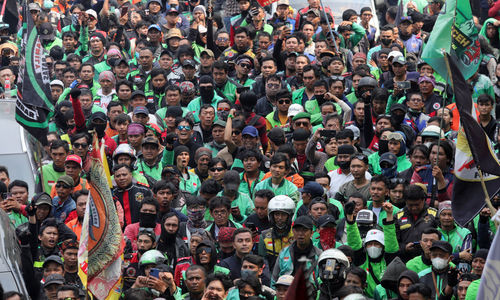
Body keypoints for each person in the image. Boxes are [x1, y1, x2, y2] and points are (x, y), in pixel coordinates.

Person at [271, 215, 322, 287]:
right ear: (293, 232)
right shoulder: (284, 253)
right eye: (297, 230)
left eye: (304, 230)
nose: (300, 233)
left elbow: (322, 282)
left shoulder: (319, 255)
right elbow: (274, 279)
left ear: (311, 233)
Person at [258, 195, 295, 271]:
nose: (280, 218)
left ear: (290, 216)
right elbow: (262, 263)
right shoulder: (264, 236)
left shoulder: (296, 235)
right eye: (277, 214)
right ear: (271, 216)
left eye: (283, 214)